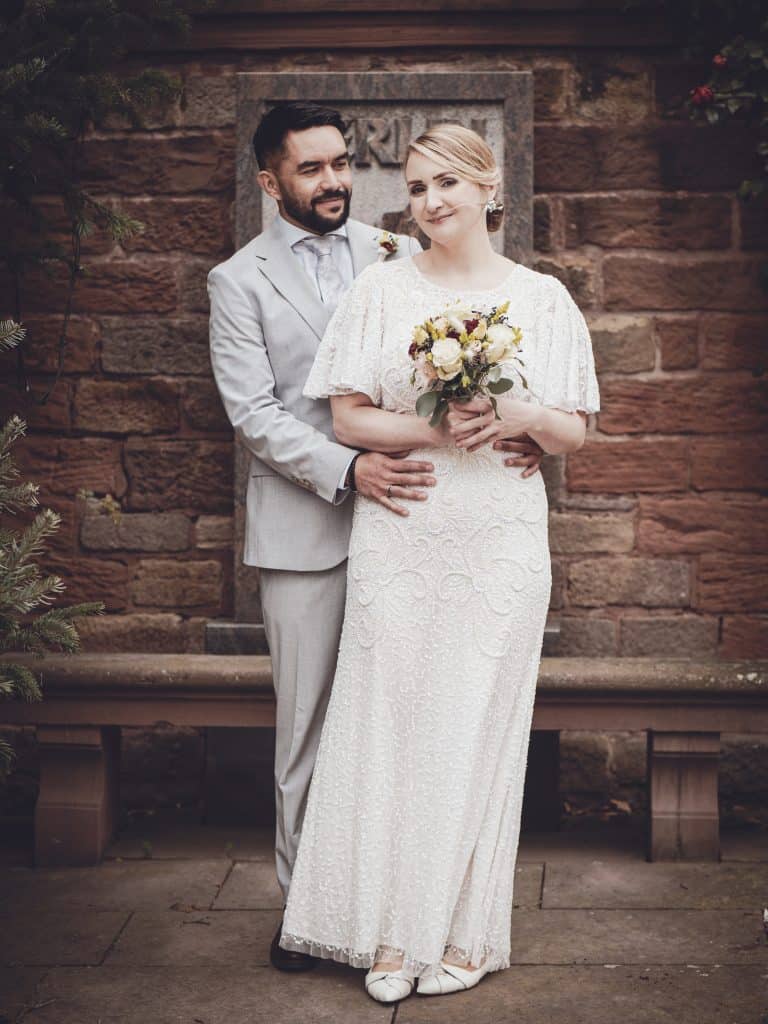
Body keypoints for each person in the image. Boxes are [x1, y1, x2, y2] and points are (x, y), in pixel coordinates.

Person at [207, 104, 545, 974]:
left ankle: (400, 904)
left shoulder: (392, 254)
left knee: (403, 723)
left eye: (341, 164)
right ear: (268, 180)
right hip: (311, 523)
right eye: (311, 169)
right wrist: (350, 470)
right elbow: (255, 416)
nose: (333, 182)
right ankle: (309, 917)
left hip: (420, 524)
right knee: (314, 732)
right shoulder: (237, 281)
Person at [279, 123, 600, 1003]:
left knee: (474, 730)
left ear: (491, 189)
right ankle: (388, 933)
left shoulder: (543, 299)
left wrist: (523, 412)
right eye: (417, 188)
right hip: (407, 527)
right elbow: (347, 418)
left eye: (448, 184)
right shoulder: (381, 292)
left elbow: (573, 430)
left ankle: (462, 929)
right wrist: (437, 426)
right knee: (390, 722)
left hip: (498, 539)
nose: (431, 203)